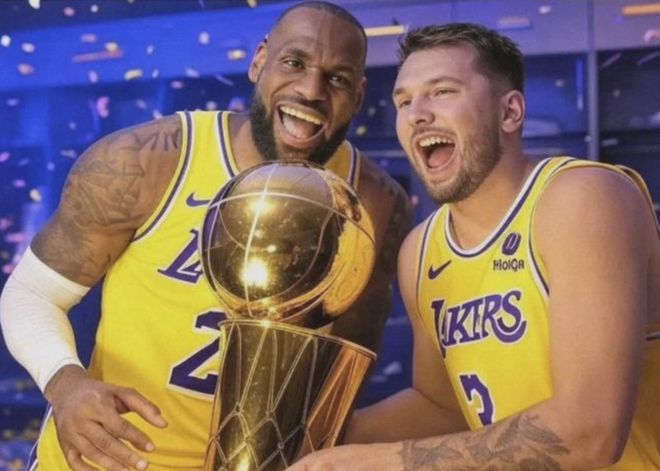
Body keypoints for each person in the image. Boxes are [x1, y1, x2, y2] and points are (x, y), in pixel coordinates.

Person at [0, 2, 412, 470]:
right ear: (259, 61)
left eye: (337, 78)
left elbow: (347, 362)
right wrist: (65, 384)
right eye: (294, 62)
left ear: (358, 95)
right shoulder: (148, 161)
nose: (311, 89)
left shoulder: (375, 203)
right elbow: (31, 293)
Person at [287, 23, 660, 471]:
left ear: (510, 112)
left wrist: (386, 462)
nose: (417, 114)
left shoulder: (581, 198)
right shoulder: (420, 250)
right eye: (404, 101)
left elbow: (591, 431)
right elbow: (442, 407)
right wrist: (309, 438)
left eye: (442, 92)